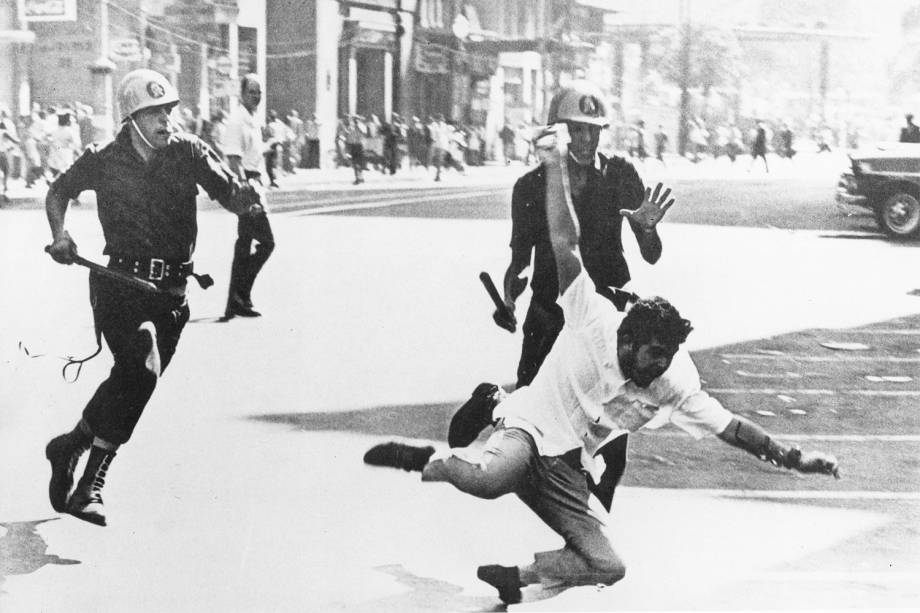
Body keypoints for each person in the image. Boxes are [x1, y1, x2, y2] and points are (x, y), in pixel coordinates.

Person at [363, 128, 841, 604]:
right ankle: (429, 455)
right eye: (653, 354)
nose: (659, 366)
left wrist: (794, 458)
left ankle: (520, 580)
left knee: (609, 565)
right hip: (532, 429)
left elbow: (732, 428)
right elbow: (563, 243)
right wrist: (553, 168)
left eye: (668, 356)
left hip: (570, 460)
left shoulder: (673, 380)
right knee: (492, 480)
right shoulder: (594, 319)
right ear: (626, 339)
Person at [43, 69, 261, 526]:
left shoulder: (189, 152)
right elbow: (58, 191)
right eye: (155, 113)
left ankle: (71, 445)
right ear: (132, 118)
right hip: (119, 286)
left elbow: (227, 190)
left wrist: (245, 200)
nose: (167, 121)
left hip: (172, 296)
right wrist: (61, 236)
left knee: (133, 381)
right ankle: (90, 486)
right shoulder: (103, 157)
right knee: (142, 365)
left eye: (169, 111)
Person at [221, 74, 276, 320]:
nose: (257, 96)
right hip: (247, 185)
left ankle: (237, 300)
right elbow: (234, 160)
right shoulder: (236, 121)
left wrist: (268, 146)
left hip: (255, 182)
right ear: (242, 94)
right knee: (266, 243)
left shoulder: (253, 119)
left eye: (259, 92)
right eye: (252, 92)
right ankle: (239, 295)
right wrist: (246, 192)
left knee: (244, 244)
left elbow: (251, 152)